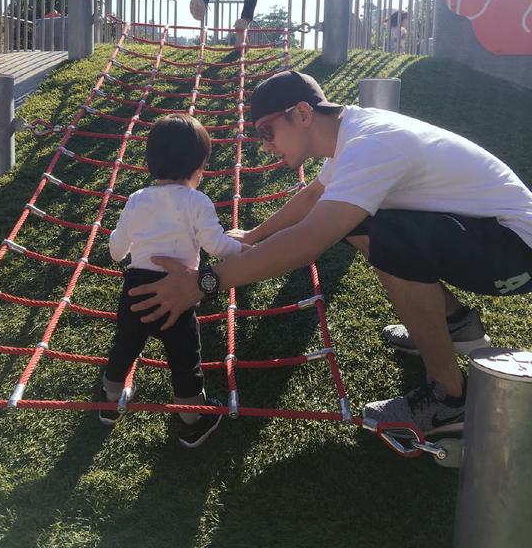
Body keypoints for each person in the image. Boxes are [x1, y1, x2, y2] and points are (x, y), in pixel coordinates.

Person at [126, 70, 532, 437]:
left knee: (384, 232)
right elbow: (315, 195)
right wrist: (252, 235)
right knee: (361, 222)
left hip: (514, 251)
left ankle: (449, 399)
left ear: (302, 113)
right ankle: (456, 324)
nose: (264, 146)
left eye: (266, 132)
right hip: (487, 237)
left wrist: (204, 283)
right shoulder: (351, 135)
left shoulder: (372, 143)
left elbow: (309, 241)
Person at [100, 113, 246, 448]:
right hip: (178, 293)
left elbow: (116, 251)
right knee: (184, 357)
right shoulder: (197, 201)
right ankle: (192, 419)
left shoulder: (137, 199)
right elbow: (216, 246)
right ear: (199, 168)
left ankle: (108, 402)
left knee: (125, 344)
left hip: (136, 288)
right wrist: (247, 249)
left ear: (151, 162)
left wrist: (126, 246)